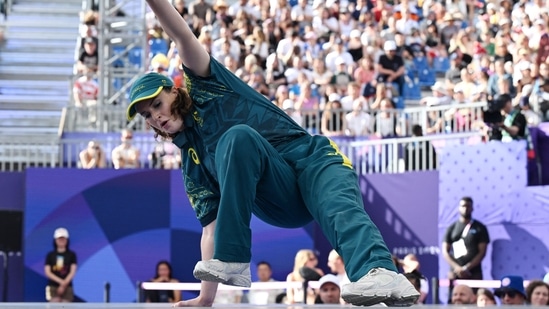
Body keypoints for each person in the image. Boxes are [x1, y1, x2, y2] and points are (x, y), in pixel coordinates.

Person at [125, 0, 420, 307]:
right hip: (278, 195)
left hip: (313, 161)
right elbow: (210, 229)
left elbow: (183, 37)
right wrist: (205, 298)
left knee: (337, 207)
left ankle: (381, 273)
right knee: (238, 138)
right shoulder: (192, 165)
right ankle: (234, 258)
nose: (155, 117)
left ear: (175, 90)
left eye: (157, 104)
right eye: (147, 115)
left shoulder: (206, 85)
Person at [442, 197, 490, 281]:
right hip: (455, 273)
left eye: (468, 206)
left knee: (475, 294)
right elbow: (445, 251)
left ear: (472, 208)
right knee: (456, 293)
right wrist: (457, 268)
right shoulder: (452, 228)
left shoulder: (479, 228)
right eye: (463, 206)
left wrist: (467, 268)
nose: (465, 209)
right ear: (459, 208)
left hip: (473, 273)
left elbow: (482, 252)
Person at [44, 228, 77, 302]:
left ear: (67, 240)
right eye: (59, 239)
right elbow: (48, 272)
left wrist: (64, 284)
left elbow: (72, 271)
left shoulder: (71, 255)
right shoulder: (50, 255)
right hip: (52, 286)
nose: (61, 241)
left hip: (67, 287)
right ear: (55, 240)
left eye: (63, 239)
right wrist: (61, 282)